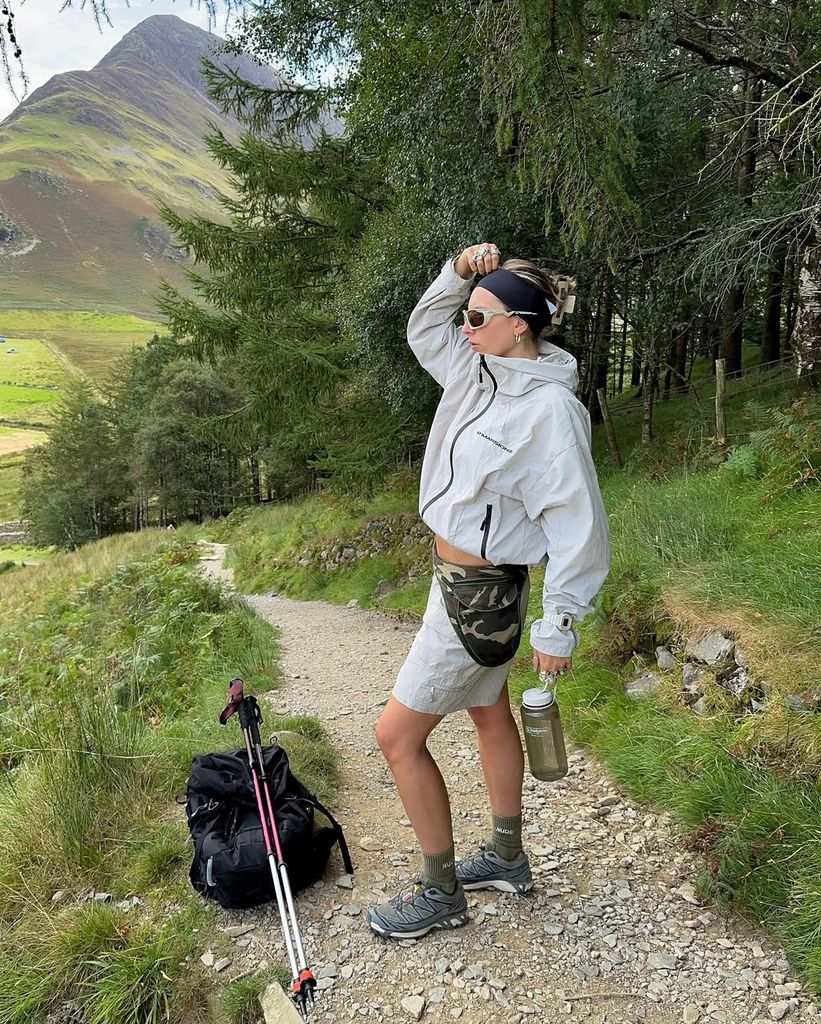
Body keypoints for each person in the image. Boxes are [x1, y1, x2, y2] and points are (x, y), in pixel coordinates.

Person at [366, 243, 611, 940]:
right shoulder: (474, 370)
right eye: (466, 314)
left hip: (478, 596)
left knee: (395, 738)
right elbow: (422, 328)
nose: (463, 325)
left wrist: (558, 626)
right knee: (487, 711)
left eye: (478, 315)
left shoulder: (551, 414)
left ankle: (439, 892)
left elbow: (577, 526)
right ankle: (506, 857)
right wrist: (456, 274)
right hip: (460, 582)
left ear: (521, 327)